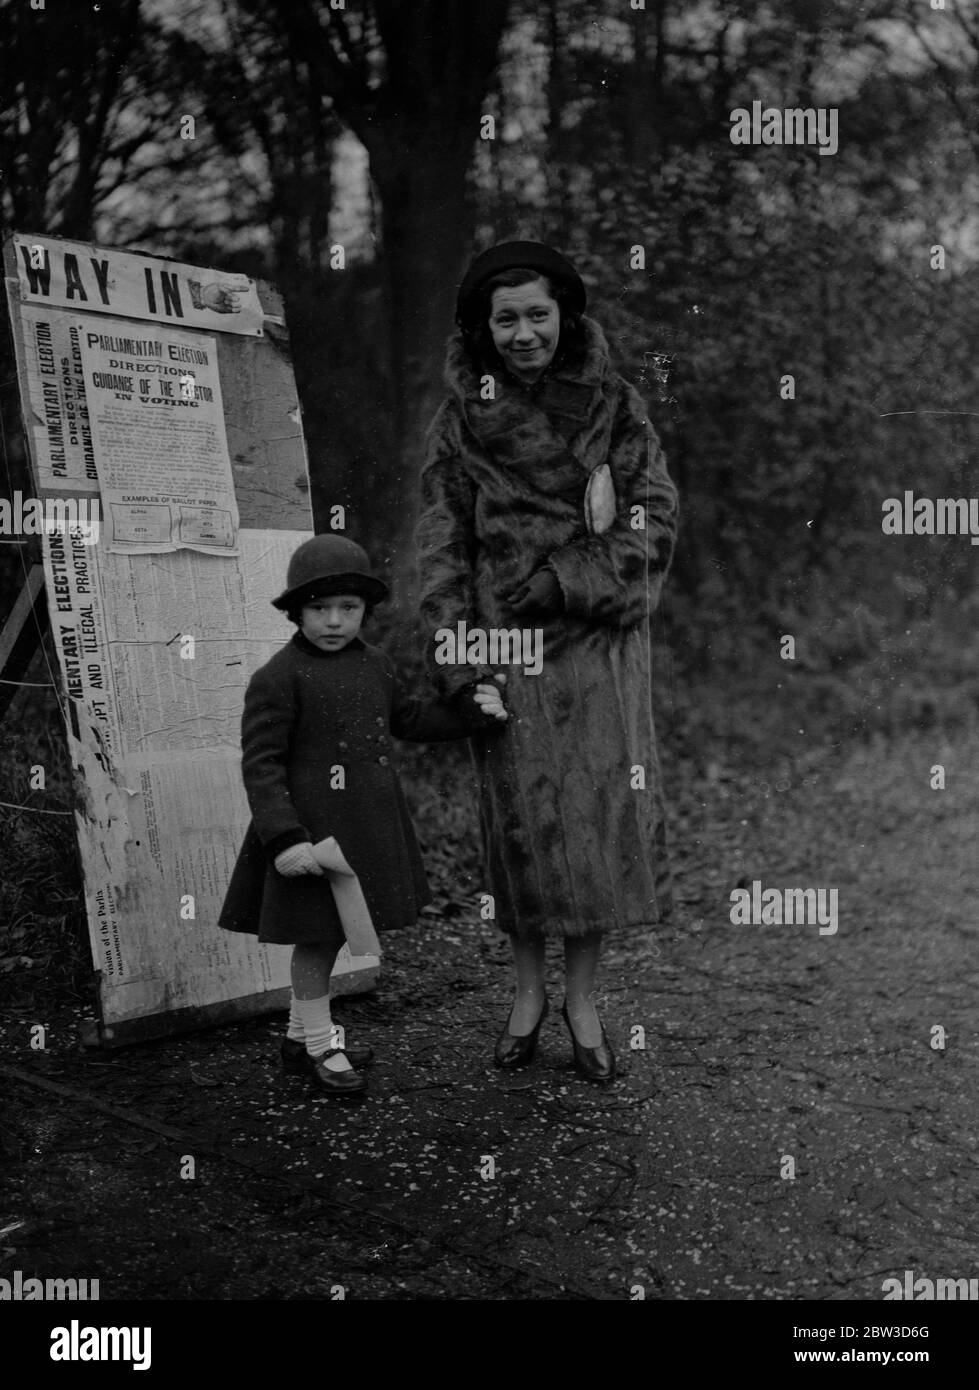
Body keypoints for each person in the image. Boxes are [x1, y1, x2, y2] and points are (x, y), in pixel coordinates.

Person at [415, 240, 678, 1083]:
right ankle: (526, 995)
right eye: (505, 319)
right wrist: (459, 657)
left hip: (595, 650)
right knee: (524, 834)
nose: (522, 332)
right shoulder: (459, 420)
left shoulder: (616, 404)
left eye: (537, 314)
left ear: (564, 316)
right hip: (505, 652)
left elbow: (655, 522)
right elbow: (441, 546)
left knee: (596, 826)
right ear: (481, 328)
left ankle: (584, 1000)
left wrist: (569, 580)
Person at [219, 534, 507, 1098]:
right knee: (318, 938)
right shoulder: (278, 679)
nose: (333, 621)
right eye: (319, 609)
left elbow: (412, 720)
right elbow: (262, 766)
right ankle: (325, 1045)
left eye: (347, 608)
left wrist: (472, 710)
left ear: (364, 612)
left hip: (364, 830)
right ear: (296, 612)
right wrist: (285, 838)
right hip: (311, 840)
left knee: (331, 935)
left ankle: (301, 1041)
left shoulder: (374, 666)